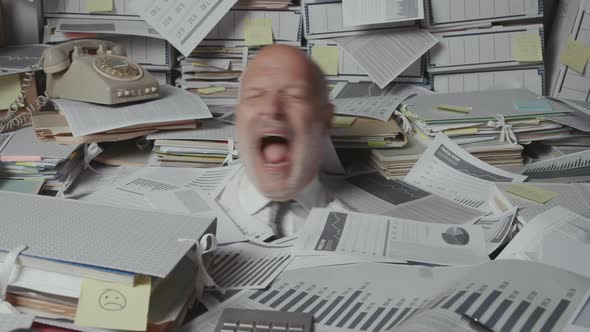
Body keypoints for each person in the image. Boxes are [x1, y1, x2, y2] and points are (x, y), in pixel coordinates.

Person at [217, 45, 346, 239]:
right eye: (255, 95)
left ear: (326, 120)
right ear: (238, 116)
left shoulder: (368, 224)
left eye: (295, 96)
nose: (271, 109)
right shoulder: (194, 215)